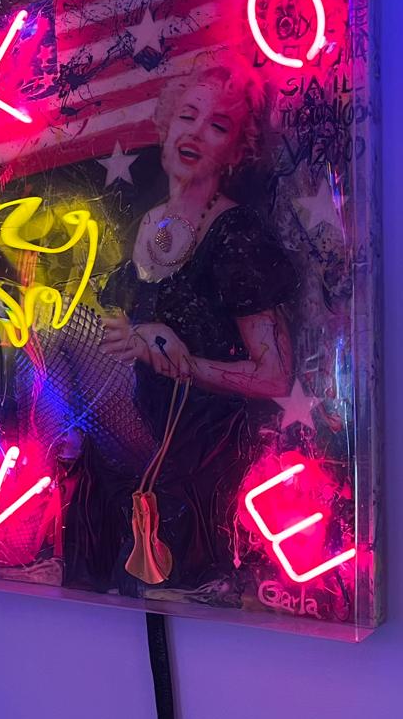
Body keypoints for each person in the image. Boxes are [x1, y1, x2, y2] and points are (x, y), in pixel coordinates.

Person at [66, 63, 298, 596]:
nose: (195, 132)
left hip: (198, 450)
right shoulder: (148, 222)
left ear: (235, 151)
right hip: (130, 434)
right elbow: (117, 336)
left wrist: (177, 359)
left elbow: (275, 376)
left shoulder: (236, 234)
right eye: (187, 116)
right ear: (166, 126)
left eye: (217, 125)